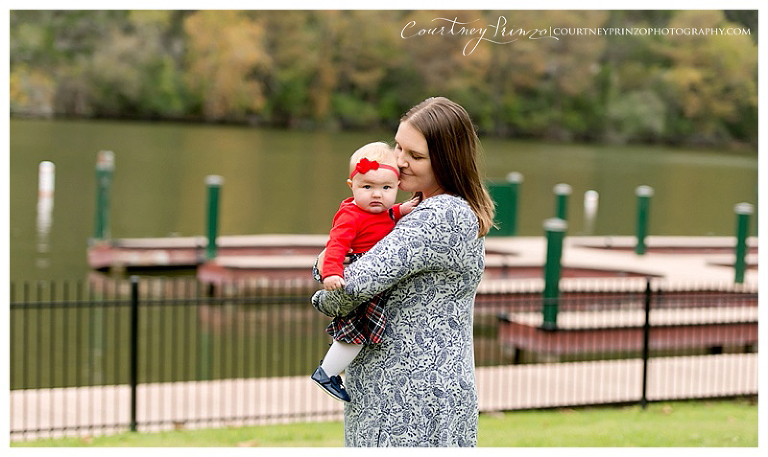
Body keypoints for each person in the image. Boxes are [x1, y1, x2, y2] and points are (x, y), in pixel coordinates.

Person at [311, 96, 495, 447]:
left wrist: (321, 283)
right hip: (423, 390)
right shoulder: (430, 208)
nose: (399, 161)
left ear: (446, 160)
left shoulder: (438, 216)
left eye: (416, 156)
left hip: (406, 399)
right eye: (399, 146)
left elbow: (350, 288)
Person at [311, 142, 419, 402]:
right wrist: (331, 274)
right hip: (358, 275)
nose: (377, 195)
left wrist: (400, 210)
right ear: (352, 186)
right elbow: (336, 245)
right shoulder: (351, 215)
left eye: (386, 188)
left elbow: (384, 217)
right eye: (367, 187)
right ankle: (326, 373)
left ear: (396, 187)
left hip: (372, 279)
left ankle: (332, 368)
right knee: (356, 334)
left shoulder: (381, 211)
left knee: (358, 332)